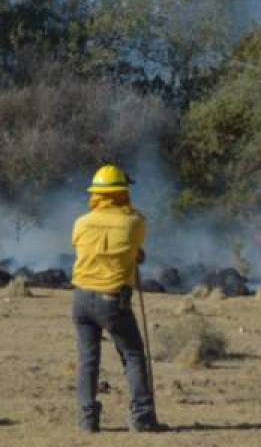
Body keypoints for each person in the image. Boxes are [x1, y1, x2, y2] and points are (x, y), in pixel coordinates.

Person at [70, 164, 161, 433]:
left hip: (80, 299)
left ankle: (87, 421)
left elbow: (87, 249)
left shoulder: (81, 222)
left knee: (88, 359)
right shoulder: (135, 222)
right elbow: (133, 246)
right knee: (133, 355)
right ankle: (142, 418)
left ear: (96, 193)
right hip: (111, 300)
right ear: (123, 193)